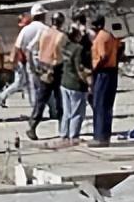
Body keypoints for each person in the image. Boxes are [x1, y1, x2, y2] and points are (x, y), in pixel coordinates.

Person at [28, 11, 66, 139]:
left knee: (41, 99)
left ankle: (32, 126)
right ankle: (63, 129)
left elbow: (31, 49)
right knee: (60, 100)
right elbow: (63, 54)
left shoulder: (43, 32)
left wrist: (34, 67)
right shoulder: (61, 36)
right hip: (56, 68)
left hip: (43, 67)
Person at [89, 14, 120, 147]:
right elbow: (119, 48)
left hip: (103, 72)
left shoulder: (101, 37)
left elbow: (103, 56)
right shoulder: (109, 35)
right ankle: (105, 135)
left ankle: (100, 137)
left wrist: (95, 68)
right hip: (112, 71)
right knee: (106, 105)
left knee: (100, 104)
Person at [59, 23, 92, 140]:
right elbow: (79, 69)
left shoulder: (65, 47)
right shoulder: (78, 49)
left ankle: (64, 133)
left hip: (64, 82)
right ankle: (74, 135)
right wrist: (88, 82)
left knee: (67, 111)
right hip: (75, 85)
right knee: (77, 112)